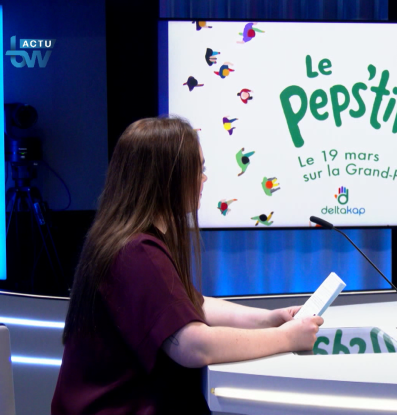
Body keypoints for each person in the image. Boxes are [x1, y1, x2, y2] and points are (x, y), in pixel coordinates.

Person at [51, 117, 323, 414]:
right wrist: (285, 338)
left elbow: (191, 304)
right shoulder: (137, 251)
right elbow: (195, 345)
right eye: (198, 169)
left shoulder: (129, 238)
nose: (203, 179)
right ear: (167, 177)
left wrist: (269, 318)